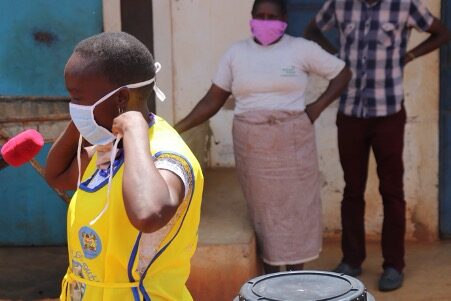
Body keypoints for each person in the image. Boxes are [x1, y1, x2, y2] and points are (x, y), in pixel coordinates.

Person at [175, 0, 351, 274]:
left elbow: (342, 73)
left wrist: (315, 108)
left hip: (293, 140)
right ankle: (269, 278)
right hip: (253, 144)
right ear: (251, 18)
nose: (265, 22)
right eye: (260, 16)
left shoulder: (300, 49)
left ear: (284, 19)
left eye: (272, 17)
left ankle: (295, 276)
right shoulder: (236, 53)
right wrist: (177, 128)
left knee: (296, 209)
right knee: (264, 212)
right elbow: (213, 99)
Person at [44, 32, 203, 300]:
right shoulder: (108, 144)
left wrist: (134, 127)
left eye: (78, 97)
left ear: (121, 99)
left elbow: (148, 213)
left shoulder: (167, 154)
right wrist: (83, 118)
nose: (73, 106)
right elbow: (57, 176)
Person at [305, 0, 450, 291]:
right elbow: (312, 30)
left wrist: (409, 55)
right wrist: (336, 56)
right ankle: (351, 260)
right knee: (352, 189)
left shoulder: (404, 5)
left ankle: (394, 265)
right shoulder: (341, 3)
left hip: (388, 115)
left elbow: (442, 32)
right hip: (350, 113)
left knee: (392, 191)